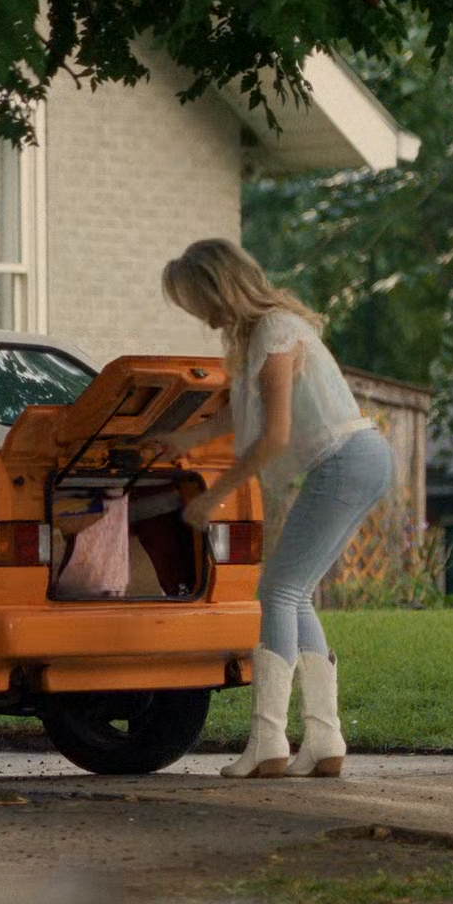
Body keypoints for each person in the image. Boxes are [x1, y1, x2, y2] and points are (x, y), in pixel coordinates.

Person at [153, 239, 393, 780]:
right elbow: (246, 416)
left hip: (346, 460)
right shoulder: (265, 333)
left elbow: (275, 435)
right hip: (357, 460)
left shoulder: (276, 331)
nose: (198, 314)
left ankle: (268, 742)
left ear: (219, 288)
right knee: (294, 593)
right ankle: (324, 740)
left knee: (278, 592)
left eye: (195, 301)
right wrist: (185, 440)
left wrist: (213, 496)